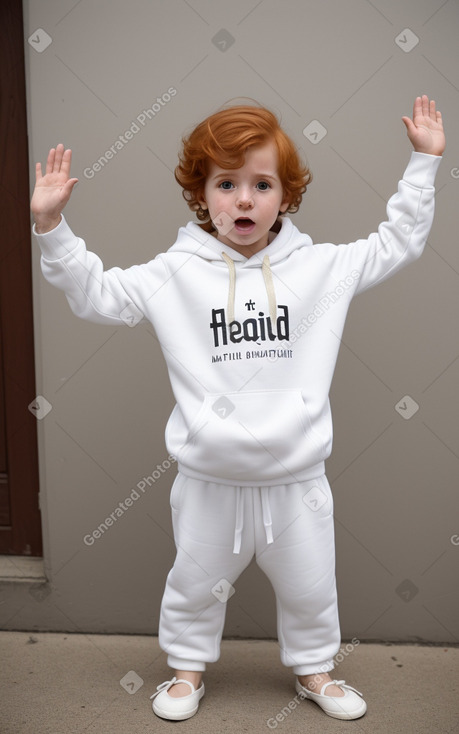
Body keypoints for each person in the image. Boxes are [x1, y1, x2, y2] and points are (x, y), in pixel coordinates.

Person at [31, 95, 445, 722]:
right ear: (202, 194)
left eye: (262, 184)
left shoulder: (321, 268)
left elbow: (398, 243)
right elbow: (98, 296)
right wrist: (52, 227)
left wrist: (424, 162)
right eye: (226, 184)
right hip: (208, 481)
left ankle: (315, 672)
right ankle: (185, 673)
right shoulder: (174, 273)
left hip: (297, 481)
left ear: (287, 195)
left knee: (310, 588)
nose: (244, 200)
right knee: (193, 585)